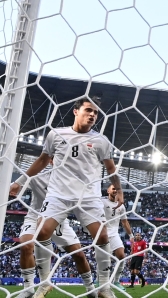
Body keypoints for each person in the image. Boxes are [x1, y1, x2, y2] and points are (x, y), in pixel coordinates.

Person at [9, 96, 123, 298]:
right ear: (76, 111)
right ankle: (44, 283)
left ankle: (104, 287)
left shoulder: (100, 141)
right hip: (59, 195)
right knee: (42, 233)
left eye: (95, 113)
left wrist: (119, 189)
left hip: (88, 196)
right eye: (88, 110)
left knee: (102, 237)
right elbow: (43, 160)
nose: (92, 115)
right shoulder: (56, 134)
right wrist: (19, 182)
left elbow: (111, 168)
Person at [9, 163, 96, 298]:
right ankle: (29, 288)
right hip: (35, 216)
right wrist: (14, 185)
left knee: (78, 255)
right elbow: (17, 184)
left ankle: (90, 288)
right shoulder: (37, 176)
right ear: (50, 161)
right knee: (25, 245)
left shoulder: (73, 181)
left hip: (59, 220)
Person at [99, 184, 134, 291]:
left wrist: (131, 236)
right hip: (102, 233)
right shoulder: (101, 201)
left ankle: (116, 281)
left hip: (114, 234)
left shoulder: (121, 206)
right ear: (108, 191)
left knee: (121, 256)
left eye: (117, 189)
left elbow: (124, 222)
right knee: (104, 259)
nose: (115, 191)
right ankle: (99, 281)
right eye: (113, 188)